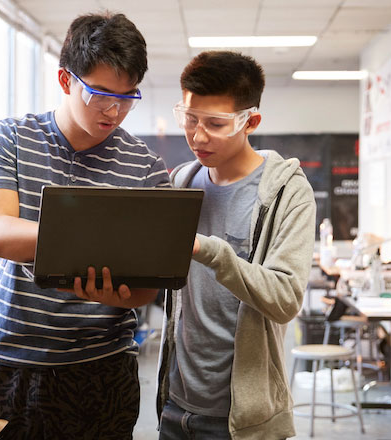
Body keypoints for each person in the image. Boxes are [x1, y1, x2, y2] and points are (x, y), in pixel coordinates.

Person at [0, 11, 169, 439]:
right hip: (8, 365)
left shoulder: (147, 169)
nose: (114, 110)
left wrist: (113, 287)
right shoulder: (12, 139)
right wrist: (103, 242)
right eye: (100, 94)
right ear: (65, 80)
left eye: (129, 96)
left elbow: (150, 286)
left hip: (101, 372)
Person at [157, 51, 316, 440]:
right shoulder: (180, 183)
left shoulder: (287, 194)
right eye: (189, 120)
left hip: (243, 420)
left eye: (215, 124)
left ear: (251, 121)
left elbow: (285, 298)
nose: (197, 135)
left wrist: (207, 250)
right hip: (176, 406)